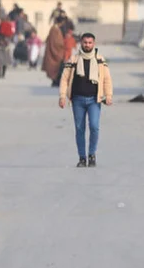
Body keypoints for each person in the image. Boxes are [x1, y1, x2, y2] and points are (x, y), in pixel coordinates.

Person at [59, 33, 113, 168]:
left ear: (94, 44)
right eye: (85, 42)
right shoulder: (74, 60)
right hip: (78, 100)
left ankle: (92, 154)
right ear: (81, 43)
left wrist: (109, 95)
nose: (87, 45)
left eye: (90, 43)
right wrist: (62, 96)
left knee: (94, 127)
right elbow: (64, 79)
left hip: (94, 100)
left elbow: (107, 79)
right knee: (79, 129)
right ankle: (82, 157)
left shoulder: (100, 60)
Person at [42, 16, 67, 87]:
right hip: (55, 51)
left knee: (57, 67)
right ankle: (55, 81)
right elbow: (56, 42)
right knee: (55, 67)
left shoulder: (55, 29)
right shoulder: (55, 29)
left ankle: (56, 81)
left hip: (54, 50)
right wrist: (63, 44)